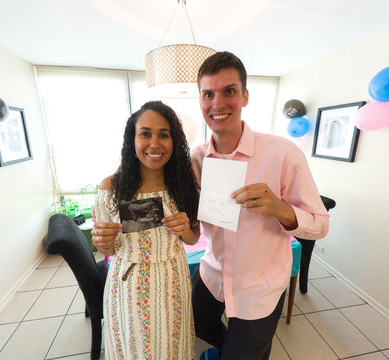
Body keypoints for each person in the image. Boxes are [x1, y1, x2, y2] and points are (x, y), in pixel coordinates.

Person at [190, 51, 330, 359]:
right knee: (196, 326)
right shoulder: (196, 158)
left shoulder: (283, 154)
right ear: (200, 100)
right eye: (208, 94)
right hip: (211, 273)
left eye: (229, 91)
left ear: (245, 96)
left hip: (259, 286)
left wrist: (281, 209)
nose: (218, 103)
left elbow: (321, 224)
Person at [91, 100, 200, 360]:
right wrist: (100, 241)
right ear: (133, 139)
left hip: (173, 280)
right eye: (145, 134)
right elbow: (106, 248)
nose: (155, 143)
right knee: (136, 350)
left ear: (175, 141)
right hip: (129, 284)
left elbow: (193, 238)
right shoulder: (110, 188)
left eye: (164, 135)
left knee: (172, 349)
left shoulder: (185, 185)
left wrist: (185, 228)